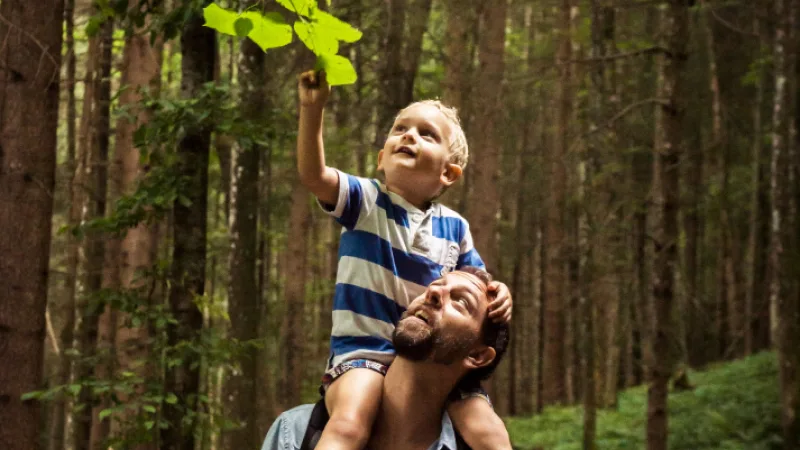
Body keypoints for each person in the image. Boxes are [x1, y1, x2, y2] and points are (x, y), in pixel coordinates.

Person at [296, 70, 513, 450]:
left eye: (427, 134)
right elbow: (315, 176)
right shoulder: (366, 201)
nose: (409, 136)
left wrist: (501, 292)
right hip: (363, 354)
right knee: (349, 425)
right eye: (400, 129)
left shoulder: (456, 228)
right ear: (381, 159)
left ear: (448, 172)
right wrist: (312, 111)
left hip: (430, 362)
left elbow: (478, 285)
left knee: (489, 432)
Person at [262, 268, 511, 450]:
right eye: (436, 283)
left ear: (477, 356)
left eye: (460, 302)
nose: (434, 292)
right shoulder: (296, 432)